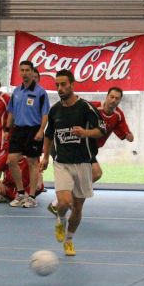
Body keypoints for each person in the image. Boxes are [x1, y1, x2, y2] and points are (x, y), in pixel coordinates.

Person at [41, 69, 104, 256]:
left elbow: (101, 130)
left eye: (63, 84)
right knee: (65, 202)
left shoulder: (86, 107)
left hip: (83, 163)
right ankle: (60, 220)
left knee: (77, 207)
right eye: (57, 85)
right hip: (62, 163)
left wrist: (85, 133)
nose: (59, 88)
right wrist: (45, 157)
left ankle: (69, 239)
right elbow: (48, 135)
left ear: (71, 85)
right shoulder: (55, 110)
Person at [47, 86, 134, 215]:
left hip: (89, 150)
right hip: (78, 147)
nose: (113, 100)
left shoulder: (118, 116)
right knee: (96, 173)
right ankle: (60, 202)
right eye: (111, 97)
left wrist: (128, 135)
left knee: (93, 175)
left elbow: (125, 131)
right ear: (106, 96)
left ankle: (63, 201)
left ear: (120, 101)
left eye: (117, 98)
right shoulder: (92, 107)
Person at [5, 60, 50, 208]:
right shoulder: (16, 92)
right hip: (18, 130)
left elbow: (45, 114)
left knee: (32, 163)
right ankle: (20, 193)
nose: (24, 73)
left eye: (27, 70)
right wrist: (6, 130)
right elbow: (10, 112)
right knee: (11, 160)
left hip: (34, 129)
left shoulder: (41, 92)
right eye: (22, 70)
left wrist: (41, 130)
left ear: (32, 72)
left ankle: (31, 197)